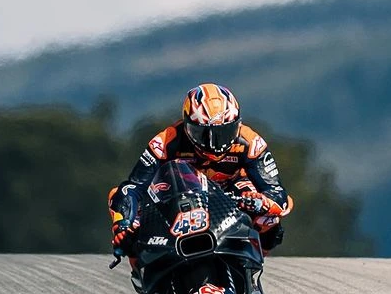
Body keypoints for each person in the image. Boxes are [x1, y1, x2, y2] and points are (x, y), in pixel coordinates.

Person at [108, 83, 293, 259]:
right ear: (187, 125)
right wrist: (124, 223)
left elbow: (277, 192)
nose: (214, 145)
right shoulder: (166, 141)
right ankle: (142, 269)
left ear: (237, 124)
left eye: (224, 133)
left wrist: (262, 202)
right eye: (203, 134)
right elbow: (132, 187)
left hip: (231, 194)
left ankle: (252, 267)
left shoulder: (251, 142)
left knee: (270, 221)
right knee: (119, 202)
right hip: (180, 195)